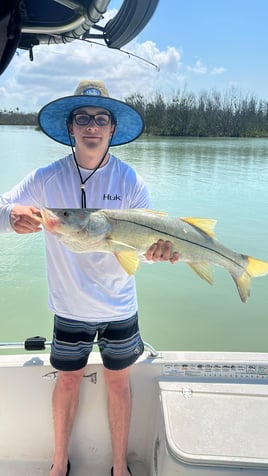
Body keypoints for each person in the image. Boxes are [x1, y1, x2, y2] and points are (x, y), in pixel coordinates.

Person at [0, 80, 179, 476]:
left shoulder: (130, 182)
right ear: (71, 127)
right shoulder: (46, 179)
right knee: (67, 382)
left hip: (119, 306)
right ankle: (59, 462)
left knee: (119, 383)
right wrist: (9, 218)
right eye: (83, 118)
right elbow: (2, 209)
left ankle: (118, 466)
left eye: (101, 119)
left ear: (112, 129)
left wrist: (157, 254)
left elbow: (142, 251)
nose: (92, 126)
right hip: (70, 307)